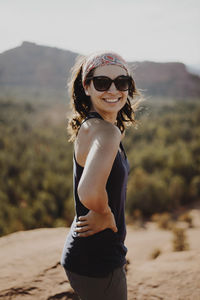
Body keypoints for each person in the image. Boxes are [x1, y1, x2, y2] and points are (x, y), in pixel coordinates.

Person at [61, 51, 140, 300]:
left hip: (85, 254)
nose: (113, 90)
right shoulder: (107, 132)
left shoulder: (91, 125)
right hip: (99, 260)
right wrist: (105, 213)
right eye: (102, 82)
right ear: (87, 87)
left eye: (122, 82)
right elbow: (88, 191)